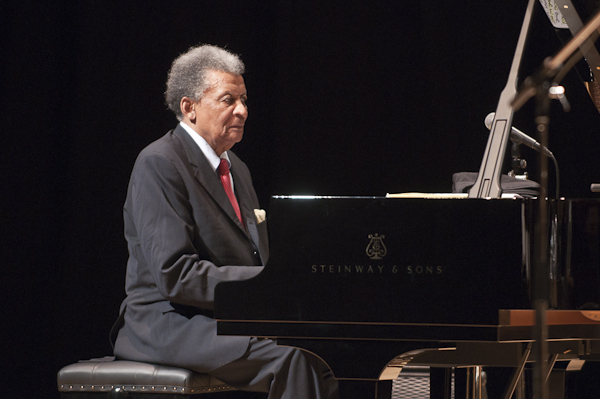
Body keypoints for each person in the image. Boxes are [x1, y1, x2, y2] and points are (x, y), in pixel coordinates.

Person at [111, 44, 338, 399]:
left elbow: (253, 255)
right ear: (189, 108)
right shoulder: (159, 162)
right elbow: (176, 274)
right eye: (228, 99)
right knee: (296, 361)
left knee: (328, 351)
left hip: (230, 318)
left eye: (244, 99)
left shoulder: (237, 169)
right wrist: (269, 281)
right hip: (171, 323)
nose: (242, 110)